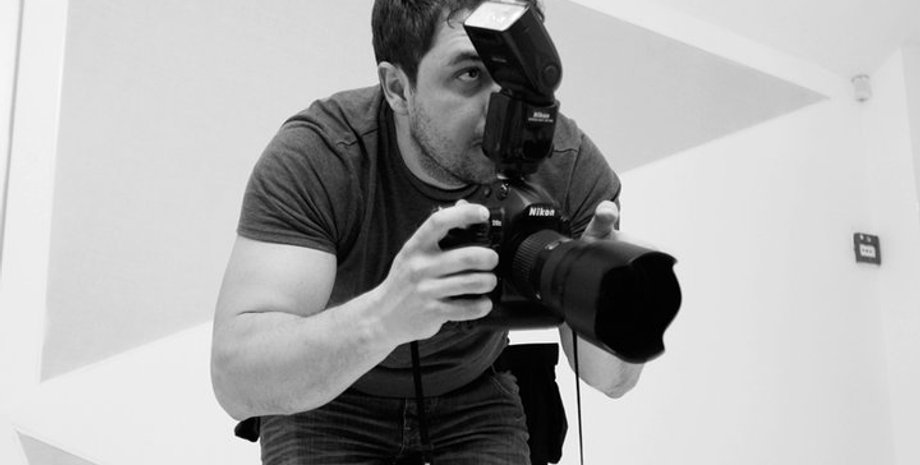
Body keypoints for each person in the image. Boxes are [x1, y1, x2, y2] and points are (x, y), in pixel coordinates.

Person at [210, 0, 644, 463]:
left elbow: (611, 381)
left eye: (516, 76)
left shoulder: (563, 161)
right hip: (330, 394)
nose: (502, 108)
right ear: (397, 88)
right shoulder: (325, 155)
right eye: (470, 74)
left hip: (475, 392)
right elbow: (236, 381)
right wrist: (385, 316)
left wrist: (605, 299)